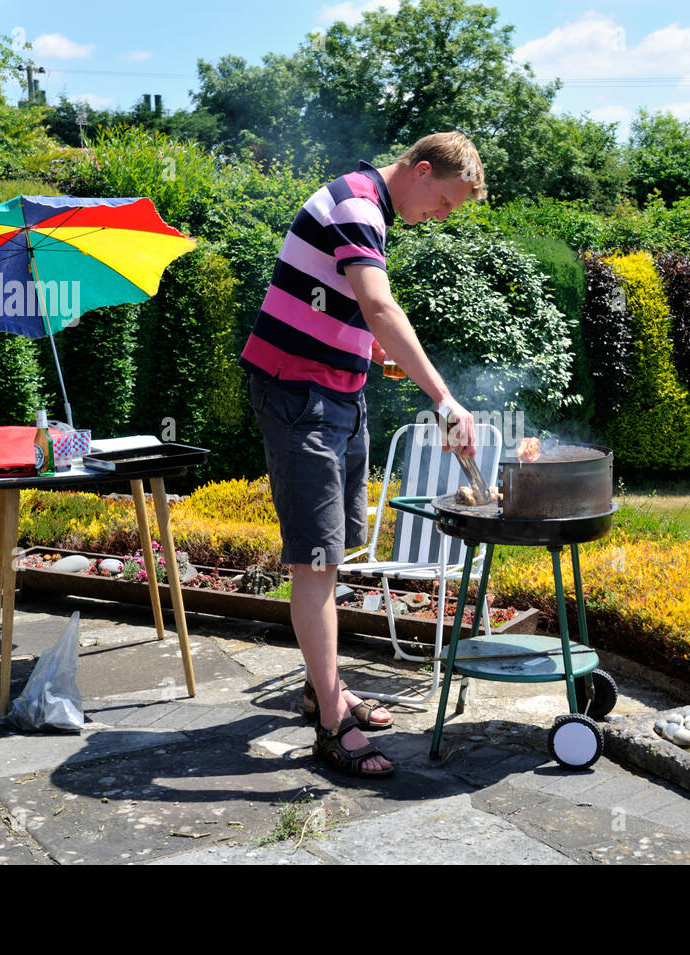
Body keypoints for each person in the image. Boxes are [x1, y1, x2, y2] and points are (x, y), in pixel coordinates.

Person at [240, 132, 487, 777]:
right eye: (442, 201)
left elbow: (345, 305)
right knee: (315, 562)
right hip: (300, 396)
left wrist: (365, 347)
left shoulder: (369, 209)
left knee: (334, 549)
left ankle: (324, 687)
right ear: (420, 168)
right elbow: (377, 302)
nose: (441, 216)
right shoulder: (356, 203)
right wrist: (444, 399)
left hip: (338, 395)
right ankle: (331, 722)